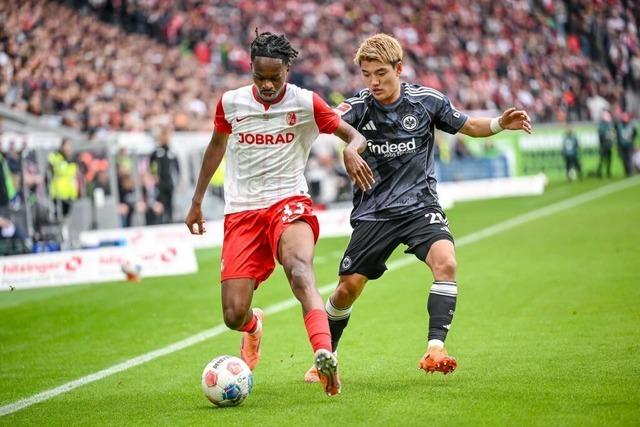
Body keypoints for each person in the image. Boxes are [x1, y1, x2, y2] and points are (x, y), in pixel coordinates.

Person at [303, 34, 532, 383]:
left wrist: (500, 123)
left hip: (419, 206)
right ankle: (327, 354)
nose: (373, 82)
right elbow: (328, 120)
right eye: (366, 74)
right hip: (374, 212)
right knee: (347, 288)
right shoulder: (358, 107)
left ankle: (435, 348)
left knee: (447, 262)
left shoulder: (427, 101)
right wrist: (345, 142)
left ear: (399, 69)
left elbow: (469, 126)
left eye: (381, 73)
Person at [184, 31, 374, 397]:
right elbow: (216, 146)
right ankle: (254, 326)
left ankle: (324, 352)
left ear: (288, 69)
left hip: (289, 201)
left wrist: (352, 149)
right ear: (251, 70)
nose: (268, 85)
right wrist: (197, 201)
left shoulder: (305, 102)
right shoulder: (231, 103)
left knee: (299, 269)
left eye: (275, 77)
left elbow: (354, 135)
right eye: (260, 77)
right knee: (233, 314)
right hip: (242, 211)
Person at [149, 129, 180, 223]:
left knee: (170, 202)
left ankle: (169, 220)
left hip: (169, 182)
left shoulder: (172, 152)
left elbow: (177, 168)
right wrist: (154, 176)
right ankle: (160, 221)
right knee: (159, 202)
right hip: (159, 182)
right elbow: (151, 165)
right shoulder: (156, 152)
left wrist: (178, 181)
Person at [615, 113, 637, 177]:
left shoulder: (631, 125)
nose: (624, 118)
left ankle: (631, 172)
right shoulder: (619, 126)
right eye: (623, 117)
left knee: (629, 159)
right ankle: (626, 172)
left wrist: (632, 142)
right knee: (624, 159)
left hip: (629, 145)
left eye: (625, 117)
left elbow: (635, 134)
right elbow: (617, 136)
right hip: (622, 146)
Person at [596, 111, 615, 178]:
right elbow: (601, 135)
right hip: (604, 145)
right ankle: (599, 172)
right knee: (602, 159)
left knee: (609, 159)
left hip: (609, 145)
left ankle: (608, 171)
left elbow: (612, 135)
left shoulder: (610, 125)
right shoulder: (602, 126)